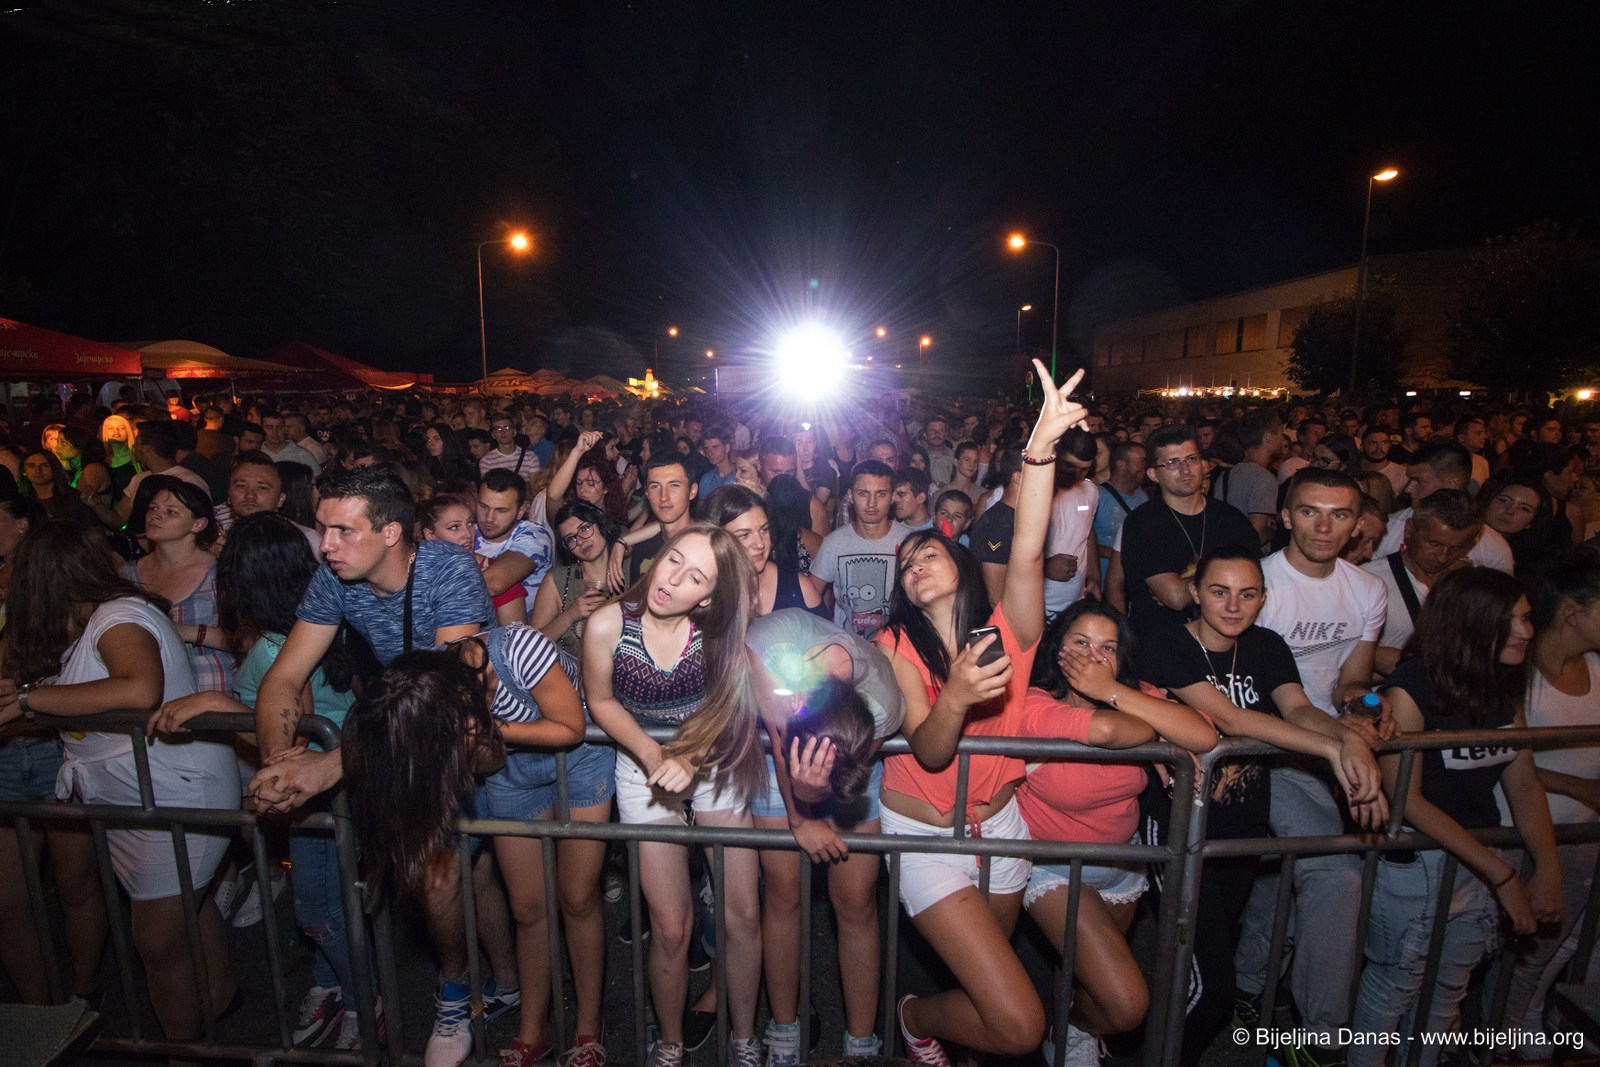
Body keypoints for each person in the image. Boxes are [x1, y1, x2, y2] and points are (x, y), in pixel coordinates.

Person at [244, 465, 508, 1067]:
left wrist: (333, 763)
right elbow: (284, 677)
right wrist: (281, 764)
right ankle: (476, 983)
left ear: (391, 533)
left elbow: (449, 696)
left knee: (459, 873)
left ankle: (464, 984)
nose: (325, 545)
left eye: (341, 531)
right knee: (453, 872)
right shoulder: (335, 577)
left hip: (467, 733)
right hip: (398, 730)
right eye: (321, 529)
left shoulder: (447, 567)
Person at [878, 361, 1087, 1066]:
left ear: (961, 565)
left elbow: (1027, 546)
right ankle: (914, 1016)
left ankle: (940, 1036)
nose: (916, 565)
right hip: (925, 834)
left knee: (995, 1013)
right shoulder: (895, 641)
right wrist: (959, 695)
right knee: (1022, 1023)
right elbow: (930, 748)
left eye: (929, 551)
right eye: (906, 566)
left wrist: (1039, 450)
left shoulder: (1009, 629)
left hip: (1000, 823)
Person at [1139, 547, 1386, 1067]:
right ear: (1195, 593)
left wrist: (1347, 739)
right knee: (1206, 985)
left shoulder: (1266, 645)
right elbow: (1230, 719)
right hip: (1178, 827)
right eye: (1219, 591)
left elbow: (1298, 708)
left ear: (1263, 599)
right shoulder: (1166, 643)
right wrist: (1331, 748)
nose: (1233, 606)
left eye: (1247, 594)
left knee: (1203, 971)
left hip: (1239, 824)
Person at [0, 521, 240, 1042]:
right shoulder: (95, 623)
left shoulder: (119, 616)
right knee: (188, 915)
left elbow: (138, 689)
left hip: (175, 792)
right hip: (142, 796)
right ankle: (217, 1011)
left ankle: (186, 1050)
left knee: (156, 940)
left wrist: (26, 700)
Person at [147, 512, 368, 1048]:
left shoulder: (277, 647)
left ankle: (367, 1002)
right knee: (331, 897)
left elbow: (300, 738)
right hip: (339, 787)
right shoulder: (302, 629)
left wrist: (216, 706)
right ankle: (330, 987)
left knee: (319, 908)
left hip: (320, 792)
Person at [1349, 569, 1562, 1067]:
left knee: (1448, 993)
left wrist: (1546, 867)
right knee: (1396, 986)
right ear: (1472, 623)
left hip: (1481, 857)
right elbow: (1409, 800)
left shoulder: (1502, 685)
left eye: (1528, 619)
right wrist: (1501, 873)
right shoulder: (1411, 689)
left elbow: (1523, 780)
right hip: (1419, 863)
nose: (1529, 632)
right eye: (1517, 621)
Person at [582, 523, 764, 1067]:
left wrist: (689, 758)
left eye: (694, 577)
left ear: (708, 595)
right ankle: (669, 1041)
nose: (673, 579)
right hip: (642, 768)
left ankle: (744, 1037)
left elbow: (729, 708)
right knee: (670, 925)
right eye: (673, 560)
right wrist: (656, 756)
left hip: (713, 760)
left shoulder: (717, 631)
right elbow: (602, 702)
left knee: (743, 916)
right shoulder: (608, 622)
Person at [1232, 469, 1391, 1060]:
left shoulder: (1367, 590)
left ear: (1359, 524)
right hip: (1265, 752)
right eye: (1310, 512)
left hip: (1328, 747)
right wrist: (1342, 741)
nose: (1324, 527)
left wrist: (1365, 711)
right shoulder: (1258, 586)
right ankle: (1322, 1038)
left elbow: (1355, 680)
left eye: (1340, 515)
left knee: (1289, 872)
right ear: (1285, 515)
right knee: (1334, 873)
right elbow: (1272, 696)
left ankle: (1250, 987)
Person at [1017, 601, 1217, 1061]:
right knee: (1126, 1003)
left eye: (1108, 647)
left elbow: (1204, 735)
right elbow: (1104, 730)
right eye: (1081, 643)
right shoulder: (1032, 701)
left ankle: (1070, 1039)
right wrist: (1157, 734)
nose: (1094, 657)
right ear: (1057, 647)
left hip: (1123, 865)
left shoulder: (1130, 694)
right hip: (1053, 868)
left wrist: (1117, 694)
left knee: (1078, 973)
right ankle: (1069, 1031)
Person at [745, 611, 907, 1063]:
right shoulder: (770, 650)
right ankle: (784, 1028)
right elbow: (781, 743)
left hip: (851, 764)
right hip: (779, 760)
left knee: (856, 902)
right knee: (782, 893)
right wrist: (801, 812)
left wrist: (824, 795)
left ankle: (861, 1043)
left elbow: (854, 774)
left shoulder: (883, 705)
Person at [1494, 548, 1600, 1057]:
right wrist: (1580, 788)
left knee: (1557, 947)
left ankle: (1520, 1025)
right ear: (1573, 610)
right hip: (1515, 833)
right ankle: (1499, 1038)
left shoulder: (1599, 670)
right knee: (1505, 948)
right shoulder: (1517, 667)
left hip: (1581, 836)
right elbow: (1504, 758)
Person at [1106, 424, 1259, 647]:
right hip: (1161, 644)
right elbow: (1175, 598)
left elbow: (1253, 583)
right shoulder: (1142, 523)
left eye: (1191, 459)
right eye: (1172, 463)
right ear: (1153, 474)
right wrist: (1223, 584)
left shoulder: (1232, 519)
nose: (1185, 470)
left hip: (1224, 644)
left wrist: (1189, 584)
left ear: (1204, 464)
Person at [123, 477, 233, 694]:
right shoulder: (127, 574)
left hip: (210, 694)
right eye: (153, 508)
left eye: (171, 511)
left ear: (198, 524)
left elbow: (245, 640)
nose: (156, 515)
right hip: (153, 692)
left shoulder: (220, 573)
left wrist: (180, 632)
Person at [1363, 489, 1481, 676]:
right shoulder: (1368, 580)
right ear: (1409, 530)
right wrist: (1371, 657)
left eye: (1457, 548)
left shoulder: (1473, 586)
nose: (1443, 557)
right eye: (1434, 544)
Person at [1374, 442, 1514, 573]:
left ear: (1453, 483)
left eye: (1419, 480)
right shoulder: (1387, 529)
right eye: (1434, 543)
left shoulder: (1494, 550)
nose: (1409, 489)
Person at [811, 460, 911, 639]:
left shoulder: (910, 541)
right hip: (850, 651)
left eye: (881, 494)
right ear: (850, 495)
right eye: (863, 493)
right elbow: (809, 596)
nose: (871, 503)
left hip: (900, 648)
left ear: (893, 496)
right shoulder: (834, 543)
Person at [702, 484, 828, 619]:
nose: (760, 544)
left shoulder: (799, 588)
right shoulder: (701, 593)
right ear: (715, 540)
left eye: (764, 530)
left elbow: (830, 637)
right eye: (744, 535)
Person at [475, 469, 556, 626]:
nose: (489, 518)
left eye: (501, 510)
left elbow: (494, 583)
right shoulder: (466, 530)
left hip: (525, 639)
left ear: (520, 512)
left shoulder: (534, 536)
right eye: (483, 506)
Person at [1042, 428, 1101, 616]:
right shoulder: (1033, 490)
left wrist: (1094, 576)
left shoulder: (1090, 490)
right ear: (1056, 455)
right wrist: (1044, 567)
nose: (1077, 475)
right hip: (1037, 604)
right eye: (1070, 466)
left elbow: (1088, 531)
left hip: (1075, 603)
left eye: (1084, 469)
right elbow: (1006, 550)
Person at [1094, 440, 1147, 587]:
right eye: (1141, 461)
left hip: (1134, 581)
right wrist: (1111, 553)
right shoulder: (1097, 497)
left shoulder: (1143, 497)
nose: (1145, 467)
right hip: (1105, 583)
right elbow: (1081, 539)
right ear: (1121, 465)